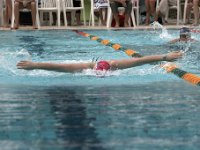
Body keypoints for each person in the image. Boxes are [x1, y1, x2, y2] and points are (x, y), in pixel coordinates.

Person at [16, 51, 183, 74]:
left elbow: (141, 60)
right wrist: (35, 65)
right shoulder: (86, 68)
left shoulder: (115, 65)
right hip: (90, 64)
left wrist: (165, 57)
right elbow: (58, 66)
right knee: (68, 68)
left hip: (109, 63)